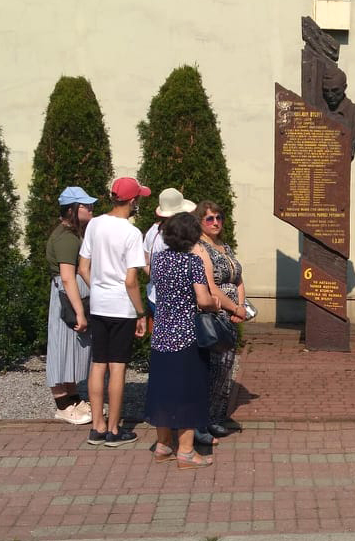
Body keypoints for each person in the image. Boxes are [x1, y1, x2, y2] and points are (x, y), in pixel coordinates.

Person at [77, 176, 149, 447]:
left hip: (99, 304)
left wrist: (97, 288)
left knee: (98, 364)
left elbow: (83, 267)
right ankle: (114, 429)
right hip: (122, 306)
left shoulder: (95, 224)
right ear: (133, 200)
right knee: (118, 367)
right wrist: (140, 312)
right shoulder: (131, 233)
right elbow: (131, 280)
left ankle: (97, 426)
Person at [145, 212, 220, 469]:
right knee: (189, 391)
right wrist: (215, 303)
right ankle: (186, 452)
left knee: (163, 390)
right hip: (187, 336)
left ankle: (164, 445)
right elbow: (202, 299)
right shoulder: (192, 262)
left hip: (161, 334)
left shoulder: (158, 260)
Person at [192, 200, 246, 444]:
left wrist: (241, 306)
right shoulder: (200, 247)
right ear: (200, 222)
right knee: (214, 367)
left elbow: (238, 279)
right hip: (215, 314)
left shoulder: (225, 246)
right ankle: (204, 418)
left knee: (226, 366)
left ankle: (217, 415)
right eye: (209, 219)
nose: (215, 222)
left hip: (232, 315)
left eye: (219, 218)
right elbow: (210, 287)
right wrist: (234, 307)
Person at [45, 186, 96, 425]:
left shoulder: (72, 234)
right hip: (68, 301)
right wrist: (79, 312)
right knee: (61, 350)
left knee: (71, 350)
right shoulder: (66, 238)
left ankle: (74, 399)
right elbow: (67, 277)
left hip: (71, 299)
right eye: (86, 205)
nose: (91, 208)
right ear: (71, 210)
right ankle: (63, 406)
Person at [144, 187, 196, 313]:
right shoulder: (178, 236)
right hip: (177, 301)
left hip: (155, 296)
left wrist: (156, 278)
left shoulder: (153, 231)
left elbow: (145, 262)